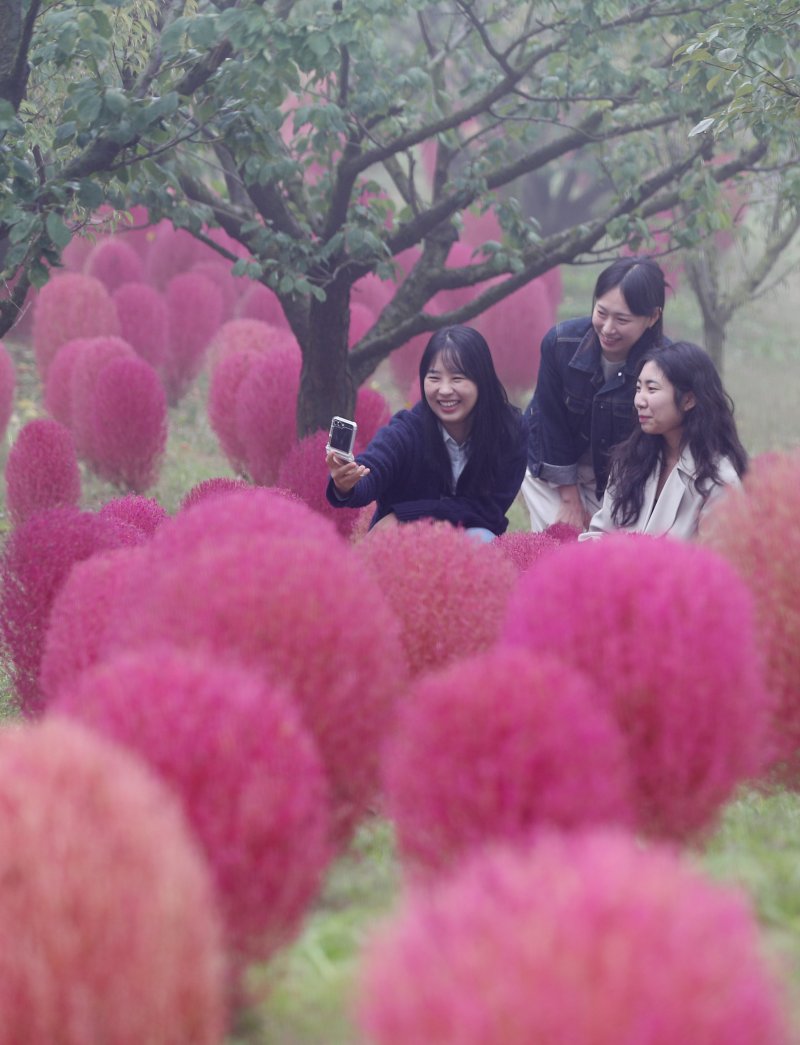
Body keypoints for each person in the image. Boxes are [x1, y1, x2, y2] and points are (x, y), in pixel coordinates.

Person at [325, 325, 528, 540]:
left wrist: (403, 516)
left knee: (482, 538)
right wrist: (347, 484)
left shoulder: (508, 432)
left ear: (482, 381)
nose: (445, 389)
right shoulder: (408, 429)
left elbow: (489, 512)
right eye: (434, 378)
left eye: (457, 378)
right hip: (404, 543)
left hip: (468, 539)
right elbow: (375, 466)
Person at [522, 256, 667, 531]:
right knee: (559, 544)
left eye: (622, 319)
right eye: (601, 313)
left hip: (625, 482)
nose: (608, 328)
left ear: (652, 317)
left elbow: (660, 446)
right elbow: (548, 423)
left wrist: (617, 501)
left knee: (610, 556)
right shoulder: (560, 344)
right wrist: (569, 496)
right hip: (556, 470)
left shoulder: (664, 366)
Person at [580, 341, 747, 541]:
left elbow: (715, 563)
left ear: (688, 400)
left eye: (652, 389)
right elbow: (601, 532)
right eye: (638, 388)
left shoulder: (719, 480)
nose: (639, 401)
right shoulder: (629, 460)